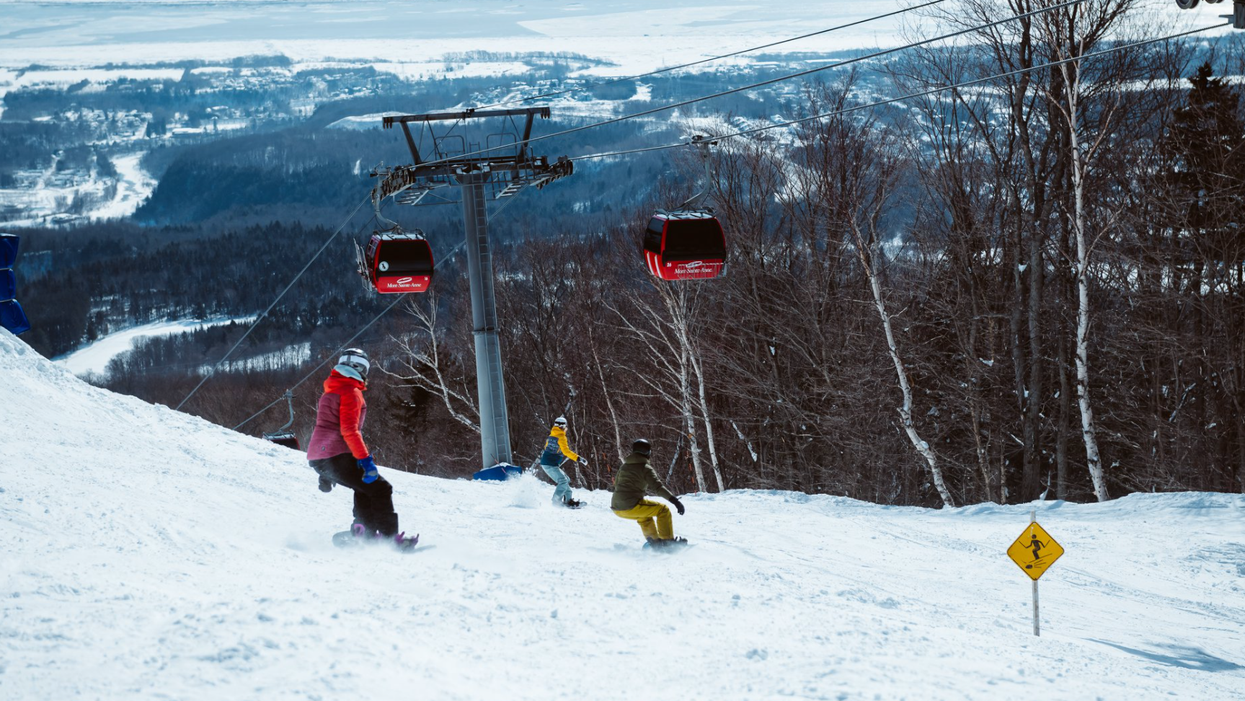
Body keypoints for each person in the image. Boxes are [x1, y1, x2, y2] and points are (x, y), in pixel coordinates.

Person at [307, 347, 417, 549]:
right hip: (336, 455)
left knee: (365, 487)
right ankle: (389, 539)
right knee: (381, 488)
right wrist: (366, 461)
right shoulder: (351, 391)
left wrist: (326, 473)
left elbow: (325, 428)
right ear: (361, 368)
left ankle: (363, 530)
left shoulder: (331, 390)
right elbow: (349, 430)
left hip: (320, 456)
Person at [611, 439, 687, 548]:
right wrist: (675, 501)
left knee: (645, 516)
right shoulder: (645, 468)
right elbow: (658, 487)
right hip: (631, 505)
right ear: (648, 453)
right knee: (663, 510)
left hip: (616, 508)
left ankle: (655, 544)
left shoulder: (624, 466)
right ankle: (668, 544)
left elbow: (616, 484)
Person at [537, 416, 586, 508]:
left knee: (566, 480)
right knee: (563, 481)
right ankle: (556, 502)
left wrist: (557, 455)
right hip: (549, 464)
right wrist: (578, 458)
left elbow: (547, 448)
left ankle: (568, 500)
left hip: (549, 463)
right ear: (564, 427)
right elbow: (566, 451)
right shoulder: (561, 437)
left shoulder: (551, 435)